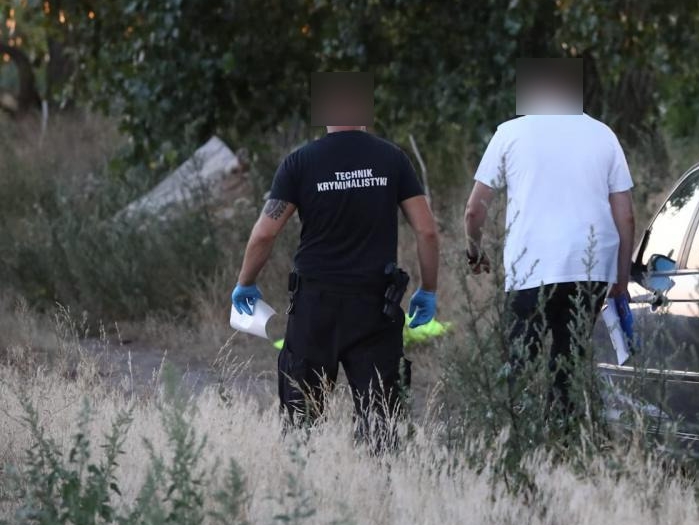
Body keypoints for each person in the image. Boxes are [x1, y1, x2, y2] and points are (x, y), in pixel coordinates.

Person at [230, 74, 440, 445]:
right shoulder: (392, 158)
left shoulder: (300, 163)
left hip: (316, 306)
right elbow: (426, 231)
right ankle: (382, 492)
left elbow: (265, 233)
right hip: (376, 306)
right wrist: (428, 289)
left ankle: (307, 491)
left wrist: (245, 281)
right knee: (382, 422)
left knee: (302, 422)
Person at [464, 59, 636, 425]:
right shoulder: (603, 134)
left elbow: (474, 210)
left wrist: (474, 251)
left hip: (530, 268)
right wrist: (620, 280)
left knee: (520, 363)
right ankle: (565, 438)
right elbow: (626, 215)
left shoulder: (510, 133)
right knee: (568, 360)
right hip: (590, 268)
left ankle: (518, 439)